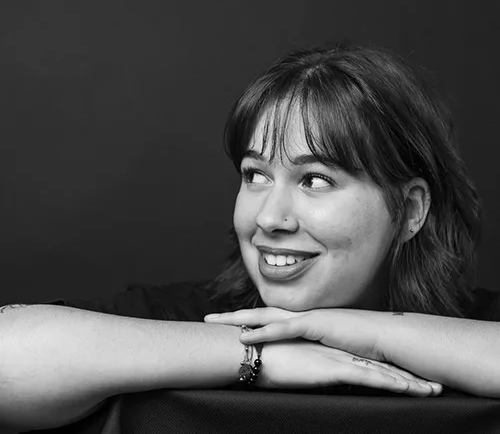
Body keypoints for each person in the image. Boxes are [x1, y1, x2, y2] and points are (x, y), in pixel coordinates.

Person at [1, 43, 499, 432]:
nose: (269, 218)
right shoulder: (183, 319)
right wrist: (258, 355)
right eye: (255, 175)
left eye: (315, 180)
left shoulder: (477, 329)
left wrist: (375, 333)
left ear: (410, 210)